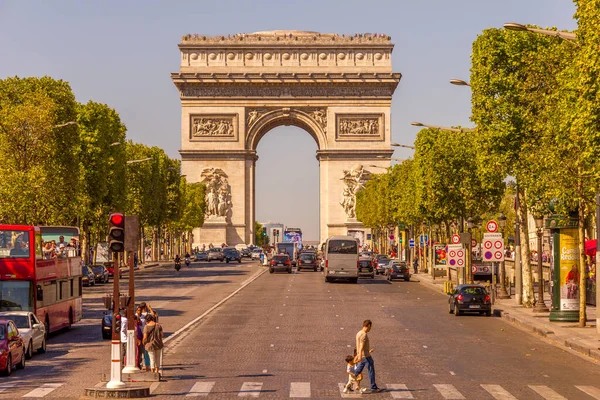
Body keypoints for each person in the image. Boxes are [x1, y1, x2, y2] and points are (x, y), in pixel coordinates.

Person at [353, 319, 381, 393]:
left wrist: (359, 355)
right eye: (370, 327)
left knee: (357, 371)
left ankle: (348, 383)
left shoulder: (359, 333)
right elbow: (361, 346)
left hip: (362, 355)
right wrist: (359, 356)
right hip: (365, 356)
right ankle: (373, 386)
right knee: (371, 370)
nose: (370, 329)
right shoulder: (364, 334)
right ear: (368, 326)